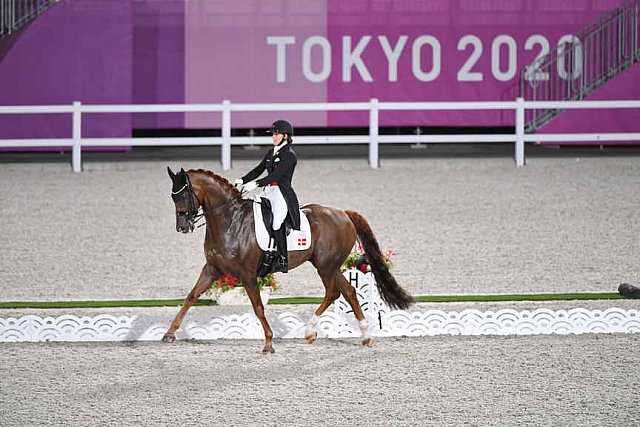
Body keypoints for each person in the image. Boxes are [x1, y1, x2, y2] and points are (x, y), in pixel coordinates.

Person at [234, 119, 300, 274]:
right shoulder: (271, 153)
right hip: (268, 191)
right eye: (273, 134)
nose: (274, 137)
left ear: (285, 136)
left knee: (277, 222)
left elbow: (276, 175)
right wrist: (243, 180)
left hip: (281, 194)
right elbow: (258, 169)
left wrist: (256, 184)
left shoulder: (290, 155)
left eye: (277, 134)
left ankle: (283, 258)